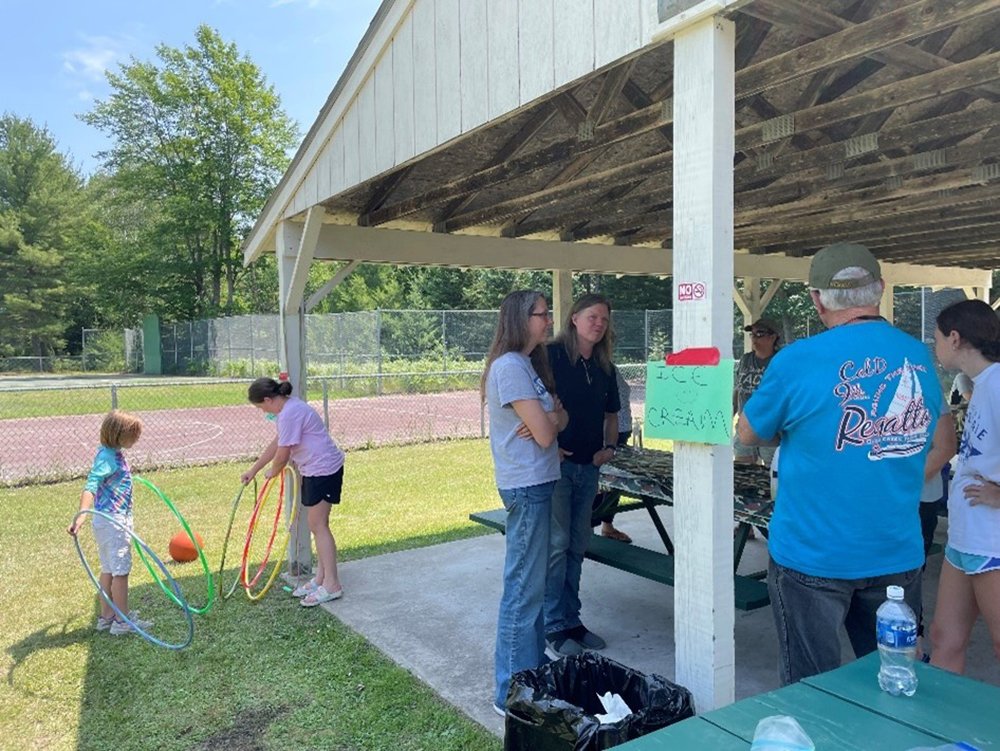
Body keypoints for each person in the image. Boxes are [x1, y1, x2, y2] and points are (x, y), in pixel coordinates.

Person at [737, 241, 944, 685]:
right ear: (880, 289)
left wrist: (793, 428)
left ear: (816, 299)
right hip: (896, 551)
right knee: (896, 685)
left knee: (811, 691)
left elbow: (748, 433)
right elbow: (931, 436)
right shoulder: (918, 356)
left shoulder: (796, 360)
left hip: (813, 556)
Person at [483, 290, 566, 715]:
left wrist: (548, 416)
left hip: (539, 484)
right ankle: (509, 692)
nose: (549, 320)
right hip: (528, 487)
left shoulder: (528, 365)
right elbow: (552, 433)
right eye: (542, 314)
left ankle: (529, 673)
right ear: (520, 318)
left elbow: (558, 419)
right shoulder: (510, 367)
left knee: (532, 588)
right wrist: (548, 420)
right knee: (522, 590)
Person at [545, 294, 620, 658]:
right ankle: (552, 624)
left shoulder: (606, 366)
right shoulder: (551, 356)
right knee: (557, 545)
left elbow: (612, 415)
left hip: (589, 468)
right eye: (592, 316)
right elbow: (529, 404)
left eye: (604, 319)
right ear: (573, 319)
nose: (599, 324)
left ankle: (571, 619)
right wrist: (548, 445)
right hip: (556, 467)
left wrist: (609, 450)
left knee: (578, 543)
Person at [928, 299, 1000, 674]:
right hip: (964, 536)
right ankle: (939, 728)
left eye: (937, 338)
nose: (936, 346)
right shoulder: (982, 384)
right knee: (944, 637)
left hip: (992, 539)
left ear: (954, 338)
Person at [242, 377, 346, 607]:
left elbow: (282, 455)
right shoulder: (288, 410)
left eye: (261, 407)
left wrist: (273, 471)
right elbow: (278, 444)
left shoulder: (290, 413)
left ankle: (332, 585)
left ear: (268, 400)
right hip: (314, 470)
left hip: (323, 470)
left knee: (319, 526)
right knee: (316, 526)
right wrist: (254, 469)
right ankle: (321, 578)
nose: (263, 412)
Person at [68, 410, 151, 636]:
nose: (137, 438)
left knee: (108, 569)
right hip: (114, 522)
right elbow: (91, 485)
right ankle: (122, 622)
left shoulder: (108, 453)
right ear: (118, 435)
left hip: (107, 522)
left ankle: (106, 617)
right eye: (133, 434)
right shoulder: (107, 459)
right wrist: (82, 515)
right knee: (121, 572)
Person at [591, 367, 633, 544]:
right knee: (598, 481)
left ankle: (606, 525)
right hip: (605, 431)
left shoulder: (608, 367)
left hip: (619, 429)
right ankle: (588, 528)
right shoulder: (593, 368)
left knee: (614, 480)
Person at [734, 318, 781, 467]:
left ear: (773, 337)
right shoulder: (745, 360)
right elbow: (737, 390)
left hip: (771, 432)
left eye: (760, 334)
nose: (754, 338)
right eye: (752, 334)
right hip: (745, 428)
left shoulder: (780, 361)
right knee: (742, 475)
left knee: (770, 478)